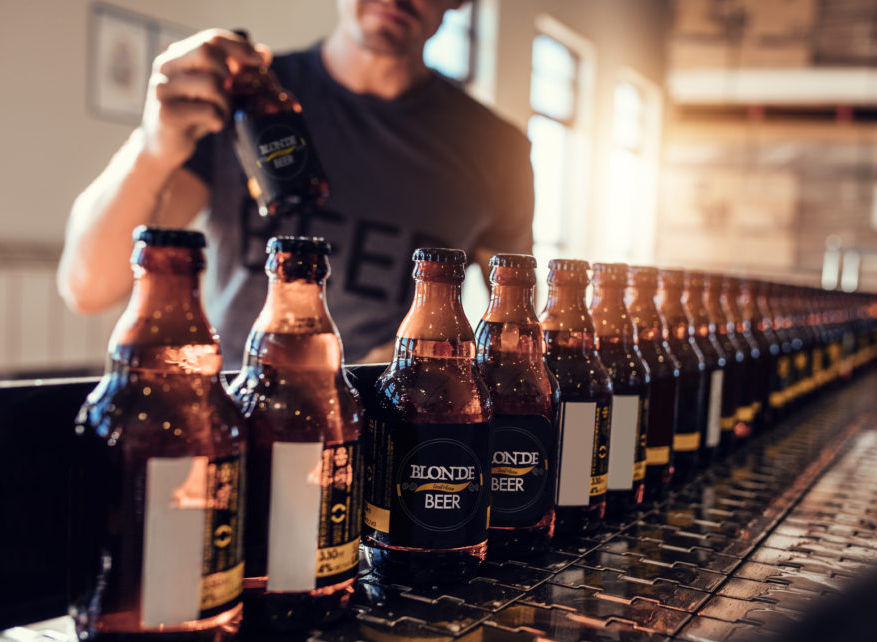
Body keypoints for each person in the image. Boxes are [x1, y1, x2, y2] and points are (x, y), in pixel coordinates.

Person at [58, 0, 535, 367]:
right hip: (228, 416)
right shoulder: (241, 100)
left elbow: (512, 321)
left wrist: (429, 357)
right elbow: (88, 287)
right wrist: (152, 146)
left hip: (377, 431)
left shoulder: (498, 149)